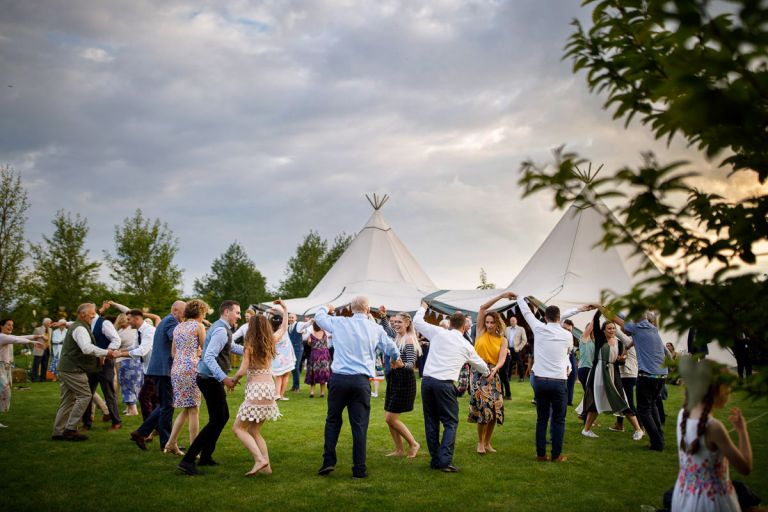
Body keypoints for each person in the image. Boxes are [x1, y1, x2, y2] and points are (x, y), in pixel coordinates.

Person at [314, 296, 403, 479]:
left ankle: (328, 461)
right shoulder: (375, 328)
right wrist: (395, 359)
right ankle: (359, 469)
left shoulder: (339, 322)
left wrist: (328, 306)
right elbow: (391, 347)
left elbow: (319, 317)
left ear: (350, 308)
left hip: (339, 379)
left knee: (332, 421)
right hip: (361, 381)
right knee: (359, 425)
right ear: (368, 309)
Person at [414, 302, 489, 472]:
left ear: (449, 323)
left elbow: (417, 322)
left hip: (427, 382)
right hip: (445, 385)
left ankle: (435, 460)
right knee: (450, 422)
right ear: (464, 327)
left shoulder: (439, 332)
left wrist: (423, 308)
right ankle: (445, 461)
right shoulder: (465, 345)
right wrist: (488, 372)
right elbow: (481, 366)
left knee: (431, 421)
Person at [671, 358, 752, 511]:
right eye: (728, 388)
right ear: (718, 390)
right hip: (711, 502)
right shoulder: (714, 428)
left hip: (683, 495)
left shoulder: (683, 415)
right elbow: (745, 467)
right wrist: (742, 431)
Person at [517, 295, 587, 462]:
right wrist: (580, 308)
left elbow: (526, 313)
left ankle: (541, 454)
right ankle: (556, 455)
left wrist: (519, 298)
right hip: (558, 380)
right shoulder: (567, 335)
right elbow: (569, 351)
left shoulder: (539, 328)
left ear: (546, 317)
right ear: (559, 318)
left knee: (541, 419)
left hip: (540, 380)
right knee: (558, 419)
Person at [178, 300, 243, 476]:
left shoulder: (221, 327)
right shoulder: (221, 330)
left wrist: (252, 350)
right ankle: (188, 460)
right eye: (237, 312)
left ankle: (206, 456)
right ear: (227, 312)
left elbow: (232, 347)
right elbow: (209, 357)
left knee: (222, 417)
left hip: (209, 379)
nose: (239, 316)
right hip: (209, 379)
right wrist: (224, 378)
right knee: (217, 419)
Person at [231, 301, 288, 476]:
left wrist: (233, 380)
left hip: (256, 389)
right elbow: (284, 327)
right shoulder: (271, 340)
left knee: (238, 428)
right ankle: (267, 468)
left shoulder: (249, 346)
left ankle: (260, 460)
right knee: (254, 430)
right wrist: (284, 310)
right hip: (269, 389)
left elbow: (242, 369)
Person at [52, 304, 119, 441]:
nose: (94, 316)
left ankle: (58, 431)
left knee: (68, 400)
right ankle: (70, 429)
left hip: (67, 368)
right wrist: (107, 352)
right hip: (73, 369)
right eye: (92, 314)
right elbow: (86, 348)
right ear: (82, 315)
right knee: (85, 395)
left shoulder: (78, 326)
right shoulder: (80, 328)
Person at [126, 301, 186, 451]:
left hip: (161, 369)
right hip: (164, 370)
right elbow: (177, 339)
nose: (185, 316)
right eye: (184, 313)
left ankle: (143, 433)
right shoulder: (171, 321)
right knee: (167, 407)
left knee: (166, 405)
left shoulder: (167, 320)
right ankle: (166, 443)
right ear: (176, 310)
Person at [578, 310, 644, 441]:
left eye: (614, 328)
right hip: (598, 373)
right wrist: (599, 309)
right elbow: (596, 322)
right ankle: (586, 430)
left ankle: (638, 430)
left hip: (614, 374)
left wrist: (621, 360)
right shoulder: (600, 338)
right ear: (603, 330)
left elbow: (619, 361)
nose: (612, 330)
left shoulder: (619, 342)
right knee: (595, 402)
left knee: (622, 400)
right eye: (609, 328)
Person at [611, 310, 668, 451]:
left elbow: (614, 318)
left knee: (643, 411)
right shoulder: (653, 329)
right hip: (661, 376)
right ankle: (659, 438)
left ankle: (657, 443)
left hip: (647, 376)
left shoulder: (637, 328)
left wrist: (601, 306)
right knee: (652, 405)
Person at [165, 299, 209, 456]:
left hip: (176, 369)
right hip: (191, 369)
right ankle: (194, 449)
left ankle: (171, 443)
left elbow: (173, 353)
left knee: (186, 408)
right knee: (194, 410)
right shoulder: (199, 326)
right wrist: (197, 353)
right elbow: (206, 349)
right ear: (200, 312)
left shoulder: (178, 327)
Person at [469, 292, 511, 455]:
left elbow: (501, 359)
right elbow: (483, 307)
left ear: (497, 323)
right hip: (480, 373)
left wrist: (495, 369)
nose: (489, 325)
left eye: (492, 322)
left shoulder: (502, 339)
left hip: (494, 373)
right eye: (487, 322)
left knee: (494, 410)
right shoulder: (480, 331)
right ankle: (480, 443)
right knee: (483, 409)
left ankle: (487, 443)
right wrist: (502, 296)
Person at [383, 312, 421, 458]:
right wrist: (382, 316)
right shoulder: (397, 336)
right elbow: (387, 329)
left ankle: (414, 444)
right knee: (388, 417)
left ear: (407, 323)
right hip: (394, 380)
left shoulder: (409, 339)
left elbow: (411, 364)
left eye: (400, 322)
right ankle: (399, 450)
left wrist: (400, 364)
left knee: (390, 418)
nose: (396, 324)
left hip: (404, 381)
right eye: (395, 322)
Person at [80, 307, 123, 432]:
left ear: (91, 314)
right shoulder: (85, 325)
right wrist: (64, 323)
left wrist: (105, 354)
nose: (83, 317)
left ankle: (116, 422)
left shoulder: (105, 323)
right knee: (87, 394)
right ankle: (86, 423)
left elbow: (116, 340)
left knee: (108, 393)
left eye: (84, 314)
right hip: (90, 364)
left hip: (105, 364)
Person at [1, 319, 44, 426]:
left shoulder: (8, 337)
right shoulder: (2, 336)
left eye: (12, 325)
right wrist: (33, 342)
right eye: (8, 325)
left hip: (6, 367)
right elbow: (17, 340)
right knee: (5, 390)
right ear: (1, 326)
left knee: (4, 392)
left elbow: (20, 337)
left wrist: (37, 336)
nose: (11, 327)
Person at [113, 313, 138, 416]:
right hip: (122, 359)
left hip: (126, 359)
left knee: (127, 383)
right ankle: (129, 407)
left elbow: (120, 343)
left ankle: (133, 409)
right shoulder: (122, 330)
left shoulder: (130, 331)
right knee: (125, 383)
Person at [271, 309, 296, 401]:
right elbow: (285, 317)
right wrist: (282, 309)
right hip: (287, 356)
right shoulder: (283, 330)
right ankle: (279, 394)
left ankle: (278, 394)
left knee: (279, 375)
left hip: (277, 356)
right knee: (285, 375)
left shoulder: (272, 332)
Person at [304, 321, 331, 398]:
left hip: (315, 354)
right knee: (323, 372)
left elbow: (309, 342)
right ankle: (322, 392)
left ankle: (312, 392)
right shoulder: (325, 333)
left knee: (313, 373)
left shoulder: (311, 334)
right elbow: (327, 343)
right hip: (324, 355)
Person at [287, 313, 311, 392]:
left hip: (298, 348)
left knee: (296, 366)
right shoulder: (287, 327)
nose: (290, 319)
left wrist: (312, 320)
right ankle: (294, 386)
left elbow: (307, 324)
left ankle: (297, 387)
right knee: (292, 367)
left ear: (296, 318)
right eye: (289, 317)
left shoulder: (299, 324)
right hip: (290, 349)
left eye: (292, 317)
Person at [507, 316, 528, 382]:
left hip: (516, 349)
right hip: (508, 349)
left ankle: (521, 378)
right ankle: (508, 377)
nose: (512, 322)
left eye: (513, 321)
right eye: (511, 321)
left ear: (516, 321)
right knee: (508, 364)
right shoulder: (507, 329)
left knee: (519, 363)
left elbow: (524, 340)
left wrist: (519, 348)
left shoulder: (521, 329)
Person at [563, 319, 578, 406]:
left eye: (569, 330)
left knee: (572, 379)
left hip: (571, 360)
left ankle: (569, 401)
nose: (567, 332)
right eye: (565, 329)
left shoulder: (573, 338)